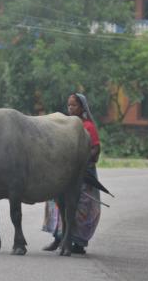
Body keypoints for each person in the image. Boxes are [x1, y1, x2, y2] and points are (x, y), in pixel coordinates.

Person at [42, 92, 101, 255]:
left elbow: (96, 148)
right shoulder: (64, 124)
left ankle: (78, 243)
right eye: (69, 105)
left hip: (82, 173)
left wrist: (81, 161)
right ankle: (58, 238)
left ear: (82, 107)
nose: (70, 108)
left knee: (80, 206)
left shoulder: (88, 126)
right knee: (57, 203)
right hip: (63, 172)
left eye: (74, 105)